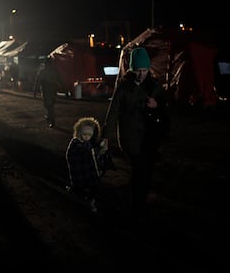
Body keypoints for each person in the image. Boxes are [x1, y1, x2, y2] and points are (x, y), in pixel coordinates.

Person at [101, 47, 168, 221]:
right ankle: (137, 207)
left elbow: (166, 112)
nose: (141, 75)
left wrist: (156, 106)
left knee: (146, 171)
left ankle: (141, 201)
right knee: (139, 170)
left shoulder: (154, 87)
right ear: (131, 70)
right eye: (138, 71)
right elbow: (113, 112)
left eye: (144, 70)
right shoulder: (123, 87)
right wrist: (105, 136)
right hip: (130, 138)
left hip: (149, 138)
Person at [66, 117, 108, 213]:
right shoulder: (75, 143)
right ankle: (75, 195)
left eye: (90, 135)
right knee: (79, 191)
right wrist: (99, 147)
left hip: (89, 173)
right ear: (79, 132)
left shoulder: (87, 143)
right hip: (79, 175)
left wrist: (101, 150)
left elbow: (92, 154)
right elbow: (84, 151)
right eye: (84, 134)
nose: (86, 137)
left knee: (93, 188)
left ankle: (90, 201)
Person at [33, 57, 64, 128]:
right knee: (50, 106)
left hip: (47, 91)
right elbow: (60, 80)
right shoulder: (53, 71)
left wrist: (35, 91)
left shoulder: (43, 72)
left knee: (49, 106)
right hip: (51, 90)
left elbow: (38, 82)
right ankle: (50, 118)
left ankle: (50, 119)